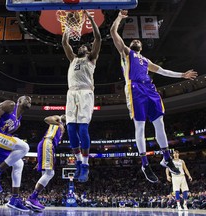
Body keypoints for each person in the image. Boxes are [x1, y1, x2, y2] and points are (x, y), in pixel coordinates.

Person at [110, 10, 198, 183]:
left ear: (141, 46)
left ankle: (166, 158)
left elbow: (164, 71)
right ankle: (145, 164)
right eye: (133, 40)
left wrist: (182, 75)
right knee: (140, 127)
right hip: (135, 89)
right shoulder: (127, 54)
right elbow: (113, 32)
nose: (135, 40)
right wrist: (120, 17)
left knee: (160, 124)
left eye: (138, 41)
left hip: (150, 90)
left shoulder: (146, 61)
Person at [62, 10, 101, 182]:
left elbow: (98, 38)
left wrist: (91, 19)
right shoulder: (72, 59)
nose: (81, 47)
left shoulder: (91, 58)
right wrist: (69, 27)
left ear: (89, 50)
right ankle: (78, 162)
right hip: (71, 93)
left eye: (84, 47)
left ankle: (85, 165)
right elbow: (65, 42)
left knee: (82, 129)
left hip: (85, 92)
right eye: (80, 46)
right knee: (70, 129)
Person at [26, 114, 66, 210]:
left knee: (45, 174)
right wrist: (58, 122)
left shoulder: (63, 127)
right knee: (50, 173)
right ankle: (32, 198)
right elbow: (46, 119)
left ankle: (33, 201)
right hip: (48, 143)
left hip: (47, 146)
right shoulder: (58, 119)